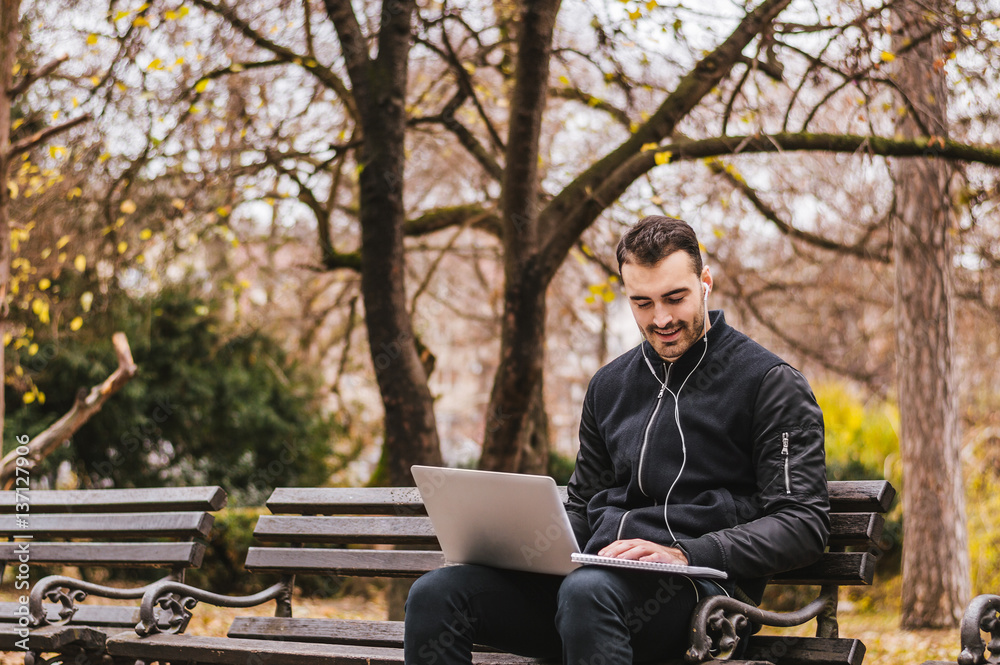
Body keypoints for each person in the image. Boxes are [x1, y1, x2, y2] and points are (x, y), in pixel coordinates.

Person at [404, 216, 830, 665]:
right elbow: (584, 503)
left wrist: (685, 553)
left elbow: (802, 525)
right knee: (437, 593)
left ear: (705, 282)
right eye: (642, 302)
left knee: (589, 593)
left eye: (675, 297)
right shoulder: (609, 386)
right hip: (587, 588)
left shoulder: (769, 383)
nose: (661, 318)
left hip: (702, 601)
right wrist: (526, 547)